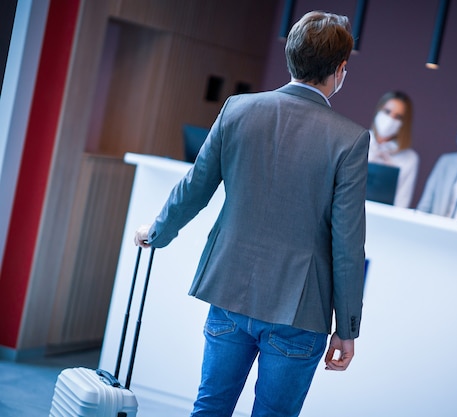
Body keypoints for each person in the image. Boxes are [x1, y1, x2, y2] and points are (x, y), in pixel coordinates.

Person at [133, 11, 369, 417]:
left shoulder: (237, 110)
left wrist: (156, 232)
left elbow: (195, 189)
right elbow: (347, 244)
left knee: (209, 408)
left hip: (230, 293)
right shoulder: (350, 140)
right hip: (300, 311)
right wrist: (346, 330)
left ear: (290, 57)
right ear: (340, 71)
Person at [368, 91, 419, 208]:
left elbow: (402, 201)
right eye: (387, 112)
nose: (390, 119)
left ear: (404, 123)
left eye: (398, 117)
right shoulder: (357, 142)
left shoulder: (409, 158)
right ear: (379, 110)